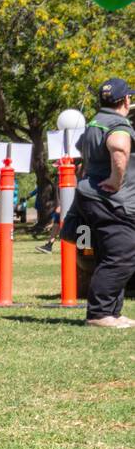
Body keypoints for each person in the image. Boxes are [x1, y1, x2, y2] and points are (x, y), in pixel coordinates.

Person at [72, 78, 135, 327]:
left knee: (109, 255)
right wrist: (116, 181)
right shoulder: (118, 124)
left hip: (93, 198)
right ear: (125, 100)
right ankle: (99, 314)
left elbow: (81, 152)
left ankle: (112, 312)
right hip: (112, 201)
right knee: (122, 255)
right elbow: (119, 148)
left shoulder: (95, 122)